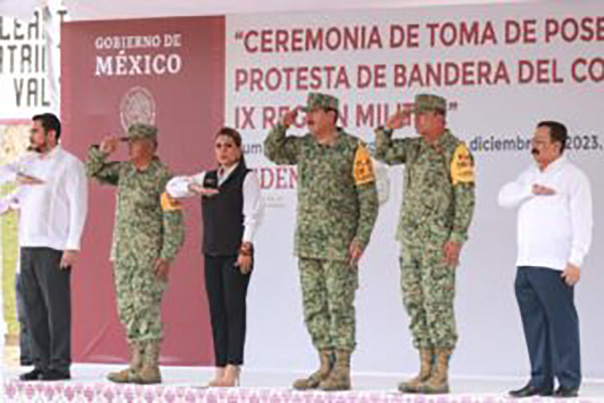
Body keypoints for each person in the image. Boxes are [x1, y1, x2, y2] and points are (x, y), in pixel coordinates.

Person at [264, 92, 379, 391]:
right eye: (307, 112)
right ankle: (324, 364)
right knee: (313, 306)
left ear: (332, 115)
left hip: (340, 244)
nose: (308, 117)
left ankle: (342, 368)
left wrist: (361, 238)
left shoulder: (354, 148)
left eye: (315, 111)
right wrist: (282, 125)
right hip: (308, 242)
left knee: (340, 305)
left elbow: (369, 199)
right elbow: (272, 151)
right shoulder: (304, 146)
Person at [374, 94, 475, 394]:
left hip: (438, 242)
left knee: (438, 304)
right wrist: (389, 126)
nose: (416, 121)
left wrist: (457, 237)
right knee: (415, 303)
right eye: (415, 116)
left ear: (438, 117)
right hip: (411, 240)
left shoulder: (456, 150)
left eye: (421, 115)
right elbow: (383, 153)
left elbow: (465, 197)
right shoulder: (414, 147)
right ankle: (424, 369)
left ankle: (441, 373)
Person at [499, 121, 592, 399]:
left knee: (561, 324)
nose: (534, 145)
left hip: (555, 265)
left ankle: (568, 381)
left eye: (540, 140)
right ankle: (540, 380)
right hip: (526, 263)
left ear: (556, 145)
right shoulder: (529, 175)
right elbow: (504, 197)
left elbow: (584, 221)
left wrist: (576, 260)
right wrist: (530, 190)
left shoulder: (573, 177)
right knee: (534, 325)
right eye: (534, 139)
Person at [86, 123, 184, 384]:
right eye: (129, 142)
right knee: (127, 309)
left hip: (149, 255)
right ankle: (135, 364)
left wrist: (167, 255)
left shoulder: (163, 176)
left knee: (146, 307)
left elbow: (173, 219)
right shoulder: (126, 171)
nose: (131, 146)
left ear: (152, 145)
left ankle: (151, 366)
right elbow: (92, 170)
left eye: (136, 142)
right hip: (123, 253)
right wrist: (103, 151)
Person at [167, 127, 263, 387]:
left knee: (234, 309)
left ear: (239, 149)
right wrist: (196, 189)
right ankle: (220, 367)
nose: (223, 151)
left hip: (235, 253)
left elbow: (252, 215)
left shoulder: (247, 177)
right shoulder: (208, 178)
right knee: (217, 311)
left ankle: (234, 367)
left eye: (229, 146)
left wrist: (246, 249)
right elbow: (172, 187)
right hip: (211, 252)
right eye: (219, 146)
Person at [0, 113, 88, 381]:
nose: (31, 136)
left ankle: (59, 365)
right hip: (28, 244)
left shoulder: (70, 164)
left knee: (56, 307)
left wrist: (72, 245)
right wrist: (17, 178)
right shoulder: (28, 162)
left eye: (36, 131)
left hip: (54, 246)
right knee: (33, 306)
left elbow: (79, 206)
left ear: (51, 134)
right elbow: (3, 174)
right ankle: (40, 362)